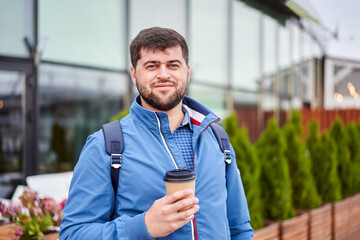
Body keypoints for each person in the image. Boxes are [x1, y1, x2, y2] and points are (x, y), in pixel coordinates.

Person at [60, 27, 254, 240]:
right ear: (134, 74)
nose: (163, 74)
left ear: (187, 72)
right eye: (152, 66)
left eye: (173, 65)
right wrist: (142, 227)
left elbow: (239, 228)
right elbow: (73, 234)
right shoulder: (106, 146)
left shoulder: (218, 139)